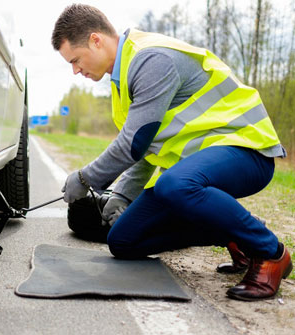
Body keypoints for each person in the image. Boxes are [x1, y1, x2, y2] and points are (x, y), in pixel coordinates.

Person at [52, 4, 292, 301]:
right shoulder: (122, 80)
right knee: (123, 240)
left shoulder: (151, 59)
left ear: (95, 40)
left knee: (173, 185)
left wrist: (86, 178)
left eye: (75, 60)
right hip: (196, 169)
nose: (75, 70)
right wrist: (122, 196)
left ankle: (270, 252)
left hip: (247, 150)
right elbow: (147, 148)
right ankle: (235, 233)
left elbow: (133, 142)